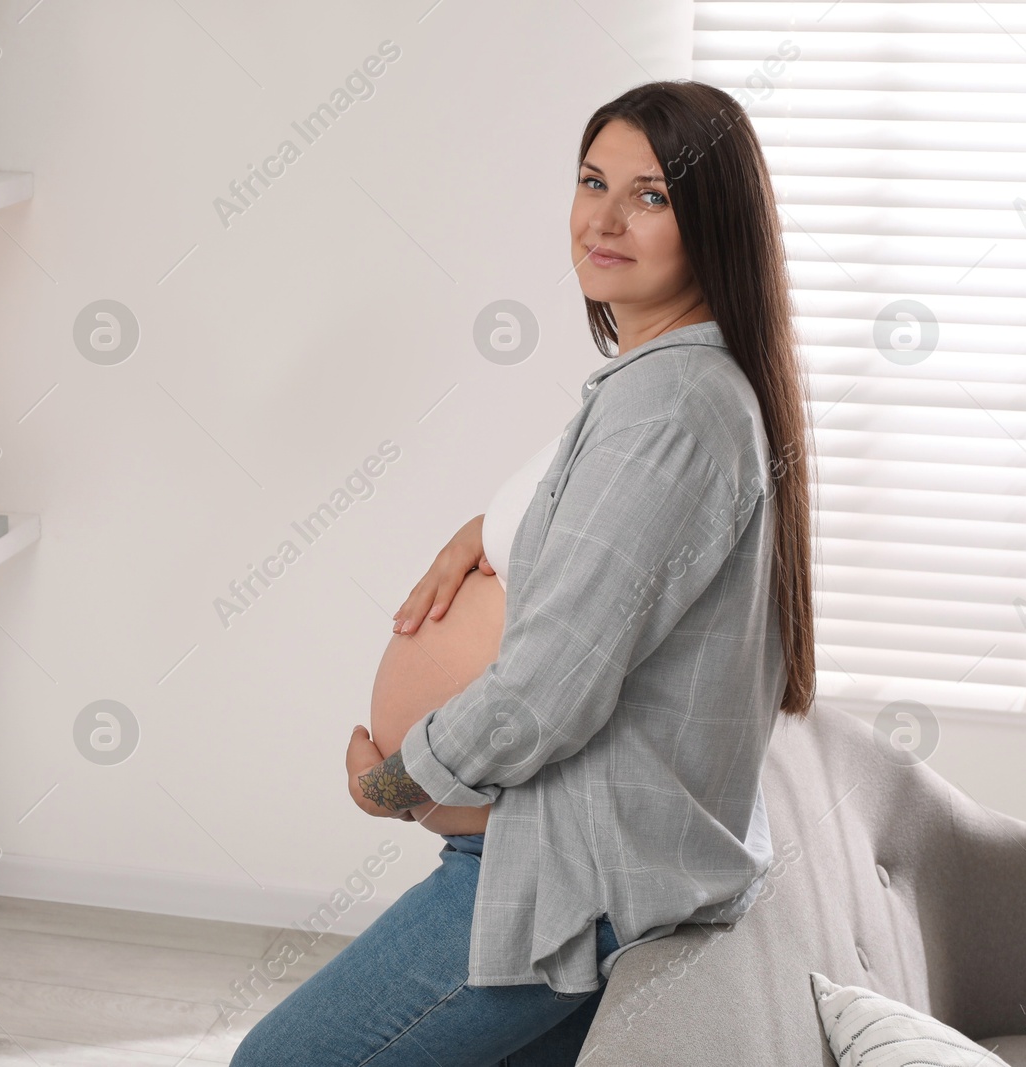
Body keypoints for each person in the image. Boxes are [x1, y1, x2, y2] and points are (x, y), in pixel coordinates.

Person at [229, 80, 816, 1066]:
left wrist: (395, 777)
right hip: (551, 855)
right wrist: (490, 529)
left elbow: (551, 687)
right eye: (593, 180)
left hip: (566, 877)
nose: (605, 217)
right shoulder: (661, 381)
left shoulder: (673, 407)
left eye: (652, 195)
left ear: (712, 221)